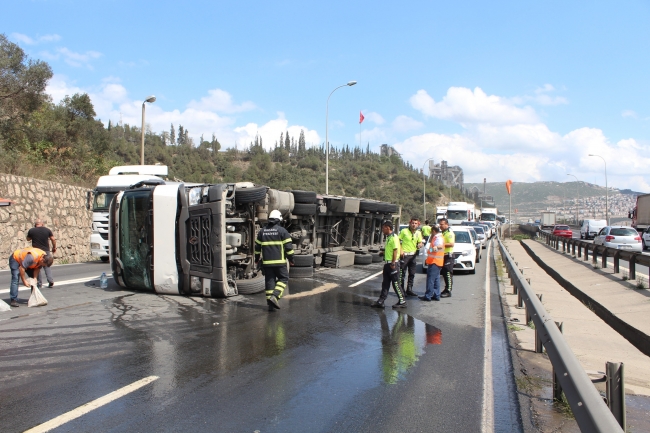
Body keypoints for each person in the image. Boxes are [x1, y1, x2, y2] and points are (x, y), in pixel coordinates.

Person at [255, 209, 295, 311]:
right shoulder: (283, 231)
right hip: (280, 262)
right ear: (279, 219)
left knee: (270, 281)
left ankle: (270, 304)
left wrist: (256, 259)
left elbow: (257, 248)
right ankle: (275, 296)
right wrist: (291, 259)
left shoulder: (262, 232)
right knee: (283, 278)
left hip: (267, 263)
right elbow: (289, 248)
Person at [371, 220, 406, 309]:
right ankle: (381, 301)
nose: (382, 230)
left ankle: (402, 301)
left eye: (383, 228)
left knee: (395, 283)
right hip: (387, 264)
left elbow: (395, 251)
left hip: (392, 264)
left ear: (388, 228)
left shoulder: (394, 237)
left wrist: (393, 263)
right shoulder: (389, 237)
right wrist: (383, 252)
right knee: (385, 283)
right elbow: (390, 249)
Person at [26, 218, 56, 288]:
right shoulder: (47, 230)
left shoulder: (32, 230)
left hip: (36, 252)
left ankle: (39, 283)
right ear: (42, 224)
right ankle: (50, 280)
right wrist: (54, 247)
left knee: (37, 266)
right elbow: (53, 239)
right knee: (47, 265)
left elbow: (28, 239)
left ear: (35, 224)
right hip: (46, 250)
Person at [398, 217, 424, 297]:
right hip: (405, 255)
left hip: (413, 255)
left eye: (415, 223)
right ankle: (401, 291)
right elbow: (398, 241)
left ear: (418, 224)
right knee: (402, 273)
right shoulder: (404, 231)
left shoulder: (418, 233)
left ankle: (409, 289)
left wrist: (420, 244)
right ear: (410, 223)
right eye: (412, 223)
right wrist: (401, 250)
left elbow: (420, 242)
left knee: (412, 273)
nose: (414, 225)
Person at [419, 225, 444, 301]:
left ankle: (428, 295)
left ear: (433, 231)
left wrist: (431, 249)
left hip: (434, 261)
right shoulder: (439, 237)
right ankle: (436, 295)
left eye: (431, 231)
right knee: (436, 279)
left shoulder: (437, 237)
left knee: (430, 279)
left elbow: (439, 246)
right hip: (437, 261)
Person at [439, 218, 455, 297]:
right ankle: (446, 289)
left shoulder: (449, 233)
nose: (440, 226)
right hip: (442, 255)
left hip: (448, 255)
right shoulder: (442, 232)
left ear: (446, 225)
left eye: (442, 224)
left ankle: (448, 290)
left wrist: (442, 245)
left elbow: (451, 244)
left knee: (448, 273)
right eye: (440, 224)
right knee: (444, 273)